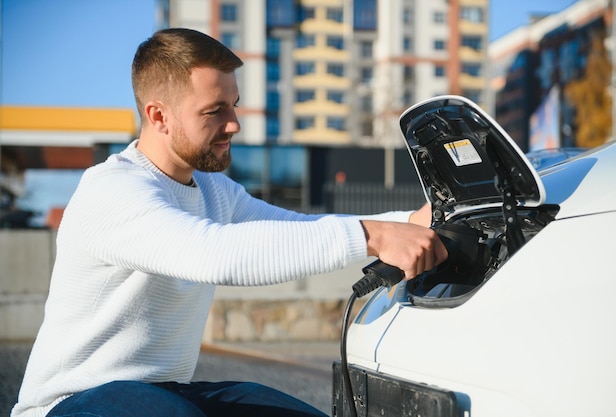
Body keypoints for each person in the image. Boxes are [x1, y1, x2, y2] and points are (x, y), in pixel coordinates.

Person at [11, 28, 447, 417]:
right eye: (214, 110)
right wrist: (374, 236)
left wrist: (408, 221)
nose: (234, 123)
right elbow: (213, 253)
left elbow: (292, 228)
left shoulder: (215, 191)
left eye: (234, 105)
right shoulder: (112, 190)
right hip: (72, 403)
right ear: (158, 116)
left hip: (167, 393)